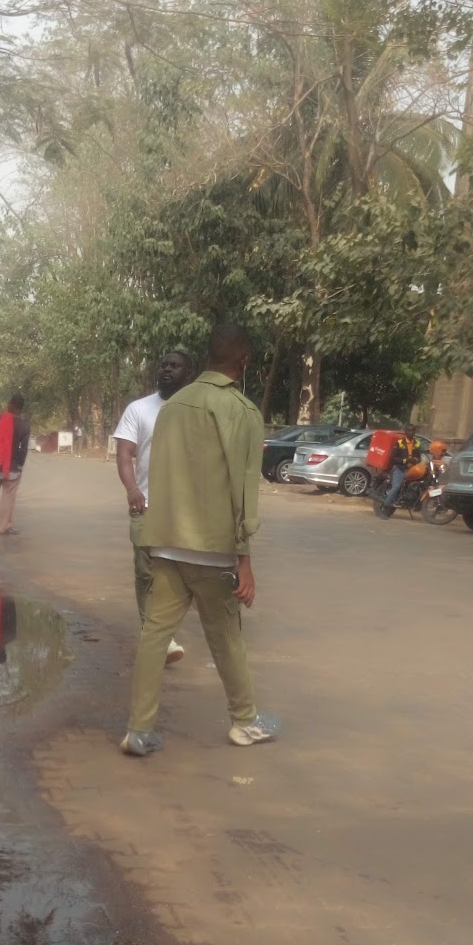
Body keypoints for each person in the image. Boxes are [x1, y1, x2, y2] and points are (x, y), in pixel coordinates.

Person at [122, 321, 276, 757]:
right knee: (226, 638)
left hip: (165, 541)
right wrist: (244, 560)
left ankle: (138, 730)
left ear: (208, 356)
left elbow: (158, 473)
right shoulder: (241, 411)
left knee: (155, 636)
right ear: (243, 360)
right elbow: (244, 489)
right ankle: (245, 722)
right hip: (213, 550)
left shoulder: (172, 407)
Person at [114, 349, 194, 665]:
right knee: (146, 571)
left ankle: (160, 632)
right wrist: (132, 489)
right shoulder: (139, 409)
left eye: (175, 366)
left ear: (188, 374)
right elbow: (124, 453)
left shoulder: (195, 411)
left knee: (177, 574)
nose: (166, 370)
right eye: (163, 365)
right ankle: (159, 637)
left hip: (184, 509)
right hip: (145, 504)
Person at [0, 394, 30, 535]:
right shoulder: (24, 426)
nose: (7, 405)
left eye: (9, 403)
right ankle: (4, 527)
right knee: (8, 498)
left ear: (12, 405)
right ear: (21, 408)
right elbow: (23, 449)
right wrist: (20, 466)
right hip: (13, 468)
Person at [384, 424, 422, 510]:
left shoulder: (417, 443)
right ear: (405, 432)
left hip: (411, 470)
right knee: (396, 486)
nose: (411, 432)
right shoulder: (400, 442)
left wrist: (416, 460)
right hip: (399, 468)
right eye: (409, 430)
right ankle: (387, 505)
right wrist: (405, 460)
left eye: (413, 430)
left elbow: (419, 457)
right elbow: (393, 457)